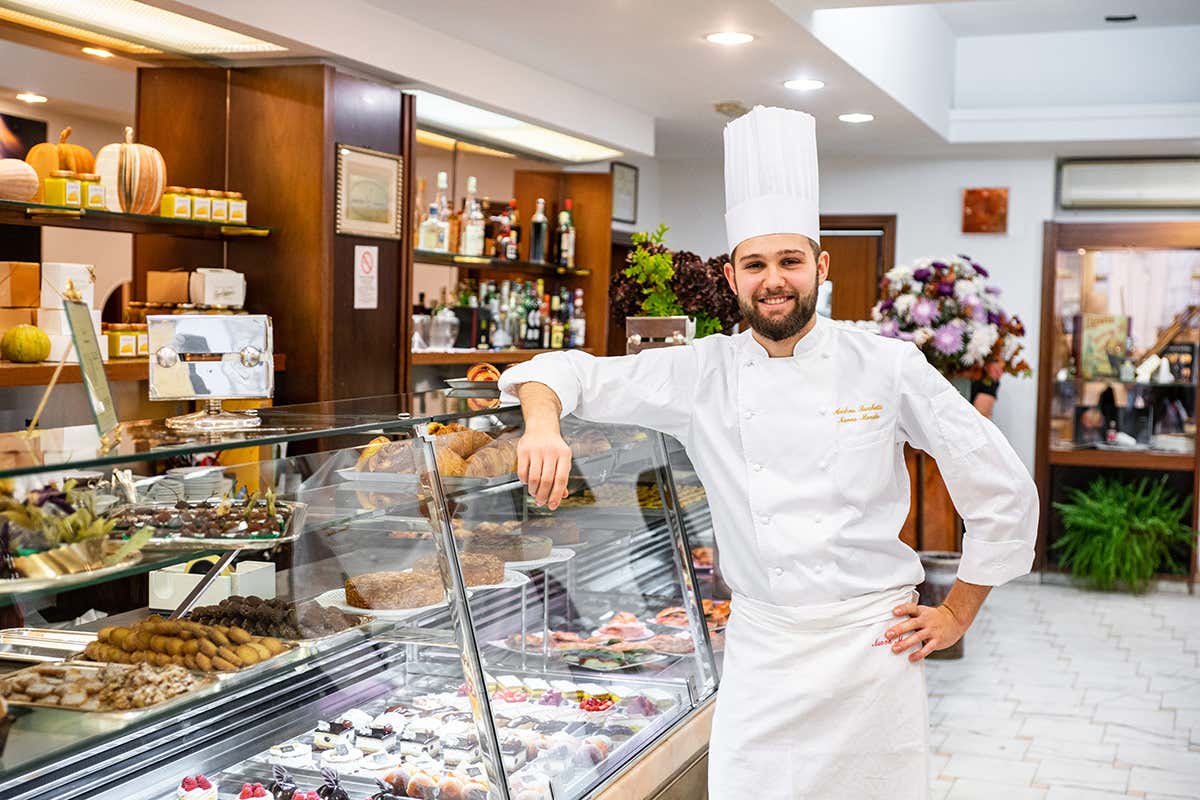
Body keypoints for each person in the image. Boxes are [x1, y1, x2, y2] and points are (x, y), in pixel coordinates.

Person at [498, 105, 1037, 800]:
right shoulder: (703, 371)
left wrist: (960, 609)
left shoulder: (887, 366)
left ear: (820, 266)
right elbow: (566, 372)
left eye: (789, 260)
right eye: (755, 264)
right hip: (763, 650)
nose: (773, 279)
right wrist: (542, 426)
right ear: (731, 277)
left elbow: (998, 484)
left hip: (871, 650)